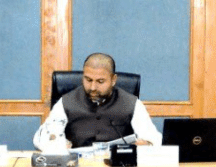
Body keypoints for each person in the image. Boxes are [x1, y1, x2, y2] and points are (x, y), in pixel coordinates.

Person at [33, 53, 161, 150]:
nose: (93, 87)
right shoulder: (66, 102)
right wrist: (56, 143)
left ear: (113, 80)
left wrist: (146, 144)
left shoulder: (132, 103)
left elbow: (153, 138)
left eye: (100, 81)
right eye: (88, 80)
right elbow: (41, 138)